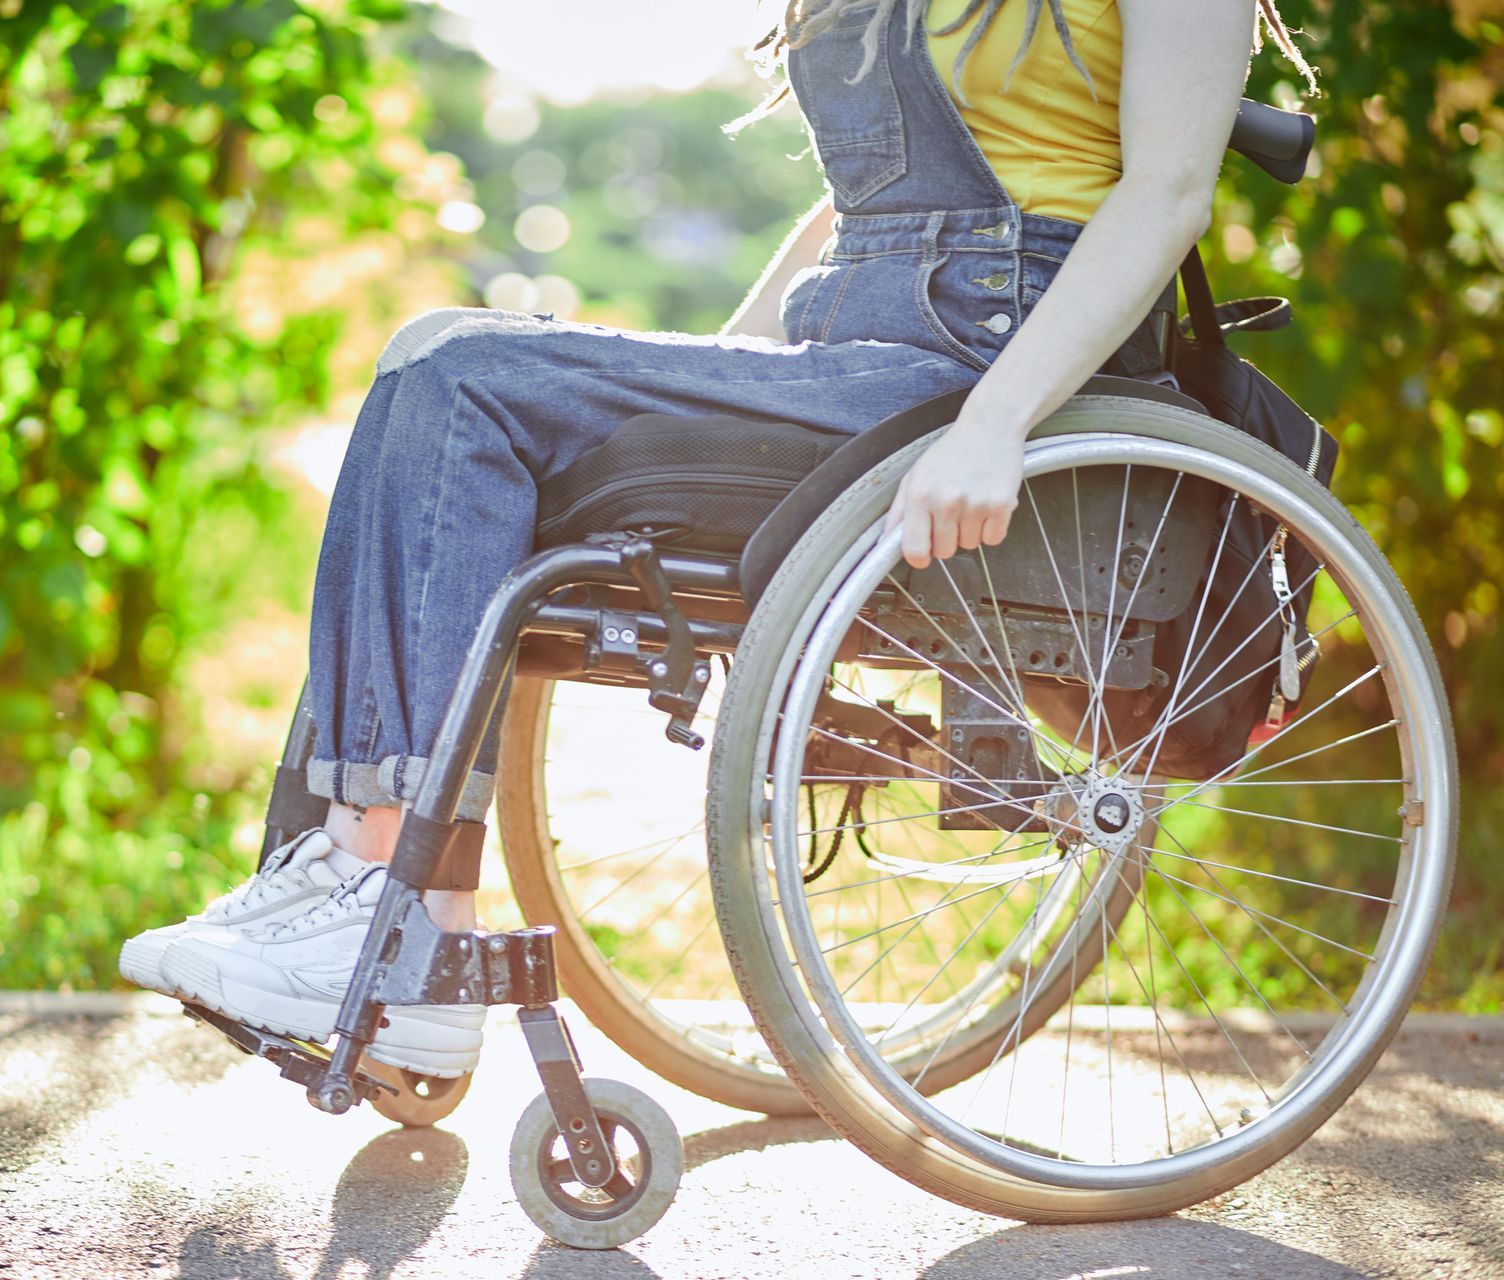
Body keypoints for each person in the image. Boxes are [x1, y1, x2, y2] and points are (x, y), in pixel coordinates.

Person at [120, 0, 1313, 1078]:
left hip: (982, 362)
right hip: (848, 352)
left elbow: (1166, 195)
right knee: (431, 364)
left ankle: (389, 895)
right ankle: (366, 888)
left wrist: (999, 418)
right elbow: (858, 208)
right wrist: (711, 371)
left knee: (457, 374)